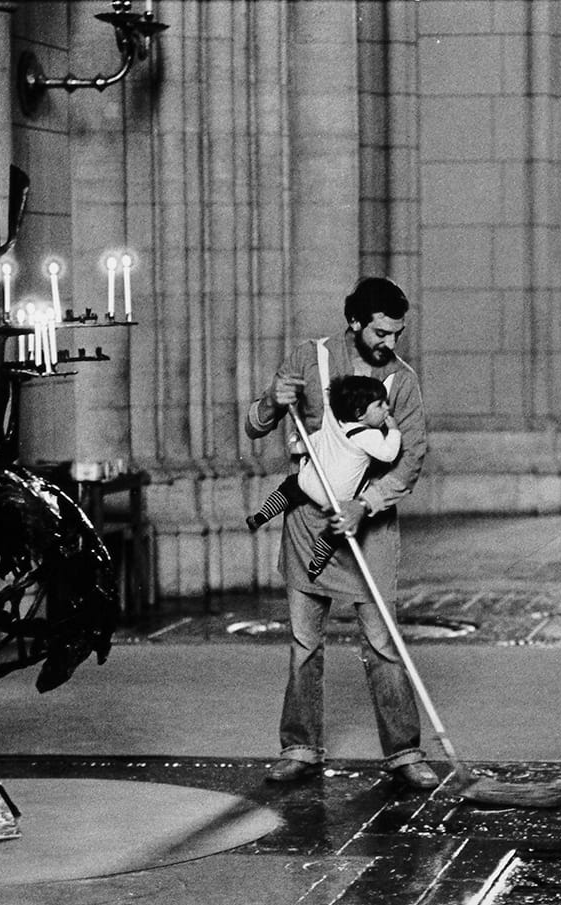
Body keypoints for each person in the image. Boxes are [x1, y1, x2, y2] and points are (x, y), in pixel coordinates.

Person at [244, 276, 436, 789]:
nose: (390, 344)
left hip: (369, 532)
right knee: (304, 642)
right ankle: (299, 747)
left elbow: (412, 456)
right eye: (380, 332)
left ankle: (405, 752)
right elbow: (256, 423)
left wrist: (365, 503)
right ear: (354, 322)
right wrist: (271, 400)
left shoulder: (403, 382)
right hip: (310, 523)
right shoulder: (311, 358)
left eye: (397, 334)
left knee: (382, 643)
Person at [246, 374, 401, 581]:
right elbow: (389, 453)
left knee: (289, 488)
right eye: (380, 405)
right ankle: (316, 564)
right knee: (335, 531)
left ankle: (261, 516)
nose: (386, 409)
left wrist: (295, 443)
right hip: (336, 499)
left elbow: (307, 445)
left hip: (309, 484)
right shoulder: (369, 435)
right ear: (359, 413)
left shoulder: (334, 430)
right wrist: (393, 431)